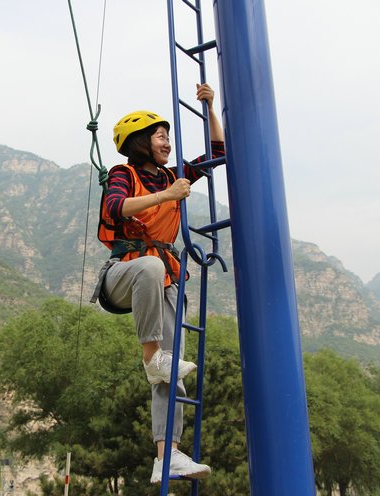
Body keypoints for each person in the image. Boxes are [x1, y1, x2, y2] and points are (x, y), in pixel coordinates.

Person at [92, 83, 225, 484]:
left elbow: (218, 155)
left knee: (173, 371)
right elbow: (115, 206)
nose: (166, 141)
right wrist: (167, 194)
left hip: (167, 275)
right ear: (139, 143)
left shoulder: (173, 174)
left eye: (167, 135)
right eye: (160, 135)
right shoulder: (124, 173)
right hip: (124, 272)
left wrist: (210, 107)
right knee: (150, 267)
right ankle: (151, 356)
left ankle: (167, 455)